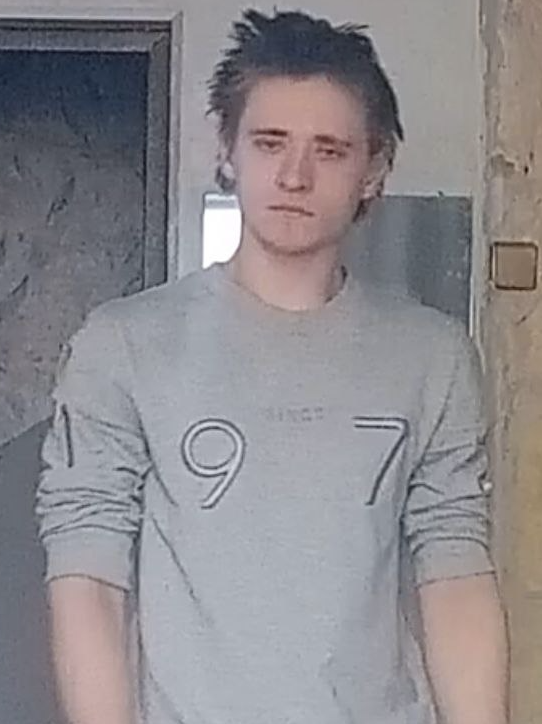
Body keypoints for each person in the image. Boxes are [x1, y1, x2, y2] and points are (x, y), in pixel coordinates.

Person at [36, 9, 509, 724]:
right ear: (227, 150)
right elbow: (89, 579)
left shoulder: (433, 356)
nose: (294, 175)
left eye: (329, 150)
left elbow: (455, 576)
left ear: (374, 169)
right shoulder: (124, 346)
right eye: (270, 142)